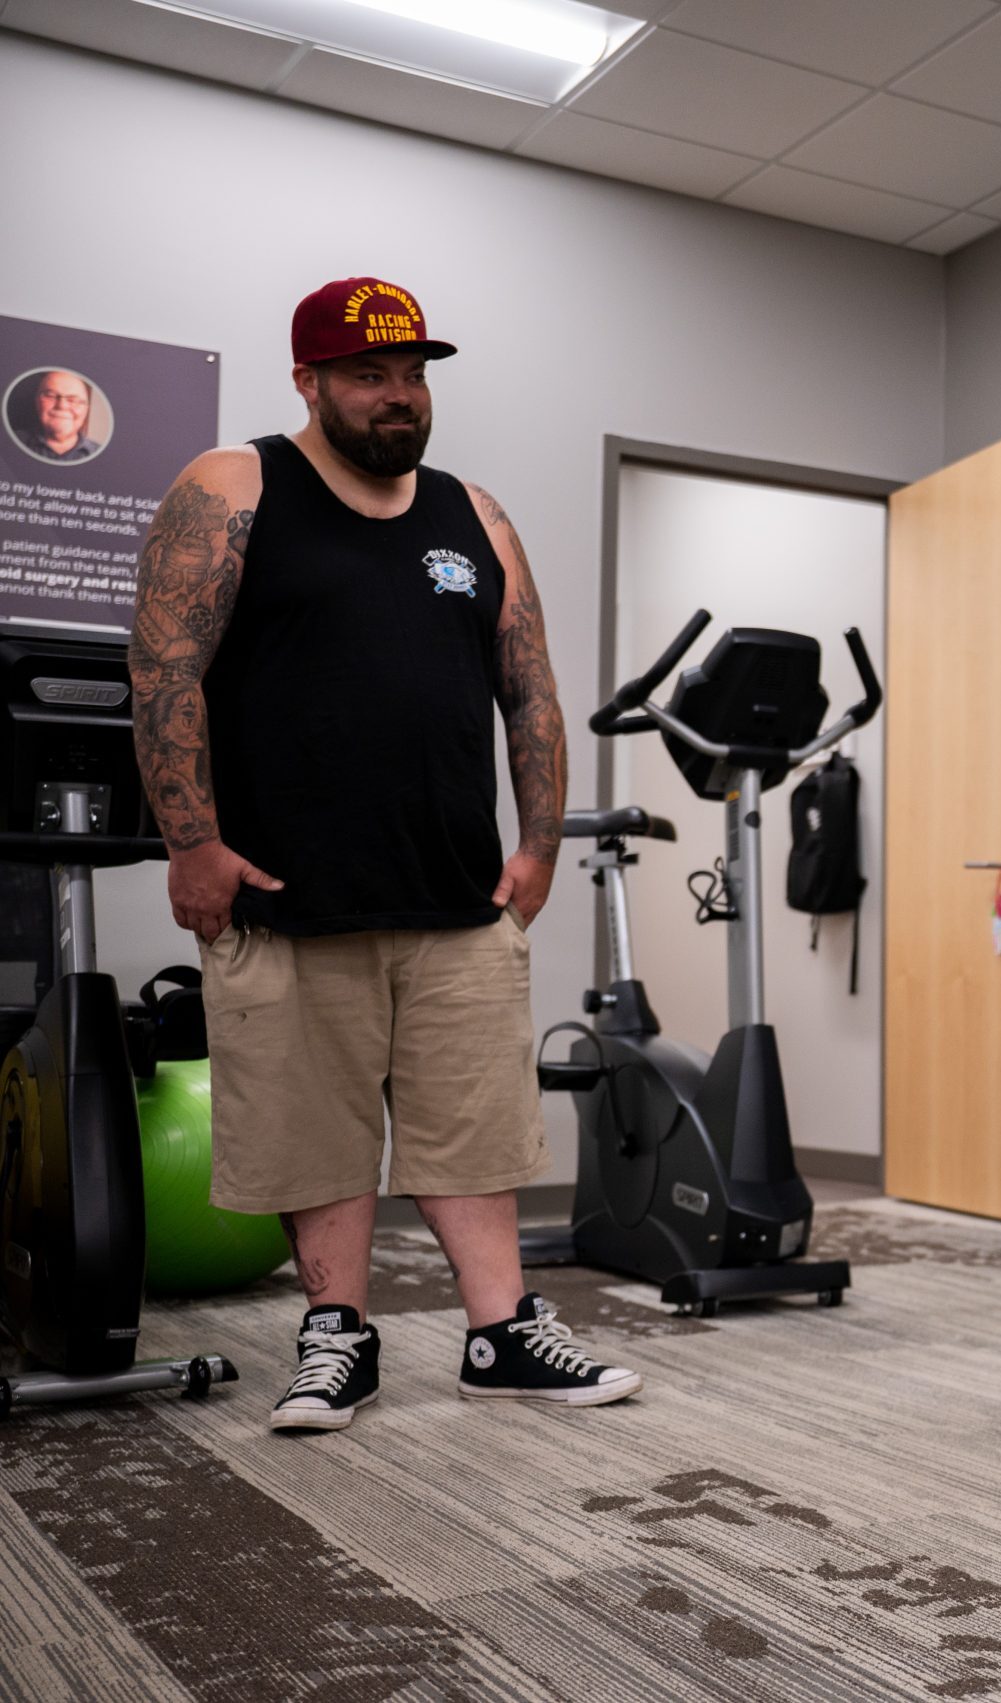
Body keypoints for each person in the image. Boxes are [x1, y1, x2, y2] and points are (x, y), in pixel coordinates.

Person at [127, 275, 639, 1432]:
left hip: (454, 895)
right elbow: (164, 672)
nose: (398, 395)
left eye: (412, 373)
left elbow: (532, 688)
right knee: (312, 1130)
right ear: (309, 380)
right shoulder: (235, 487)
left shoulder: (474, 512)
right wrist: (192, 841)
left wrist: (543, 844)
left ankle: (502, 1332)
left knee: (473, 1123)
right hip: (285, 890)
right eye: (369, 374)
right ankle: (336, 1338)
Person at [20, 369, 104, 463]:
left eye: (73, 400)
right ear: (37, 402)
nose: (61, 405)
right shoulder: (7, 443)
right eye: (50, 395)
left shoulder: (105, 457)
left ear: (86, 409)